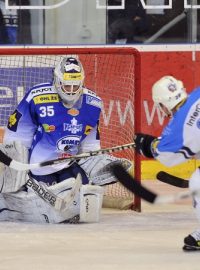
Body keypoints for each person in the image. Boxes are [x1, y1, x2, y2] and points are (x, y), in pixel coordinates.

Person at [0, 55, 131, 224]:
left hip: (69, 164)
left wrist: (94, 163)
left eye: (75, 86)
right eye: (66, 85)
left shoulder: (93, 103)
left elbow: (90, 142)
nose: (70, 90)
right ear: (56, 80)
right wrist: (16, 168)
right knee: (43, 207)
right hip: (40, 168)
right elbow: (18, 133)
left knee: (86, 201)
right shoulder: (37, 96)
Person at [134, 75, 200, 251]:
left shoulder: (179, 126)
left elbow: (167, 157)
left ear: (162, 105)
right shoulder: (197, 94)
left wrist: (146, 145)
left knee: (197, 181)